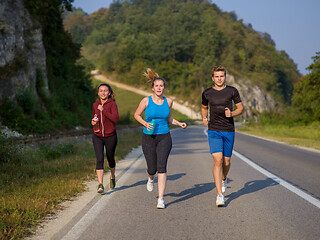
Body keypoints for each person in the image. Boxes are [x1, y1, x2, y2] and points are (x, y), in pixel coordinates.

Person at [134, 68, 187, 209]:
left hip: (164, 136)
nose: (159, 88)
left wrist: (178, 123)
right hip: (148, 137)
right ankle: (150, 178)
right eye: (156, 86)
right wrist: (145, 123)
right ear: (153, 88)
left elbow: (169, 117)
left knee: (162, 166)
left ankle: (161, 199)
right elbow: (137, 115)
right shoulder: (146, 100)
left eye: (161, 86)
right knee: (152, 167)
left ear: (164, 88)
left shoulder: (168, 101)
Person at [201, 66, 243, 207]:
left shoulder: (232, 91)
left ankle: (224, 178)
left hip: (229, 130)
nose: (219, 79)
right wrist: (204, 117)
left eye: (222, 76)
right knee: (218, 160)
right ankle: (220, 195)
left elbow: (240, 108)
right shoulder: (207, 93)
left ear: (225, 77)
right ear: (213, 78)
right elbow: (204, 107)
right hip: (214, 130)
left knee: (226, 161)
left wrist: (231, 114)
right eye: (217, 76)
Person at [91, 83, 119, 194]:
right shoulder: (95, 104)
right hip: (97, 136)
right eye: (101, 91)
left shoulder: (112, 104)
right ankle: (100, 184)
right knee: (99, 159)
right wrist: (93, 122)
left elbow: (115, 119)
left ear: (109, 92)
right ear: (98, 93)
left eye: (105, 91)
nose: (103, 93)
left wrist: (104, 110)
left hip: (110, 136)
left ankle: (112, 176)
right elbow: (94, 117)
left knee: (110, 158)